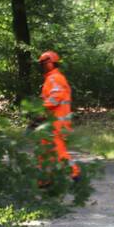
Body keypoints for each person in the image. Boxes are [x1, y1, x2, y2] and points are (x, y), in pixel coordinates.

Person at [38, 50, 80, 181]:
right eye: (42, 64)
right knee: (45, 150)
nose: (42, 66)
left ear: (51, 63)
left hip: (58, 123)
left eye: (44, 63)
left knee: (57, 151)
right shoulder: (50, 78)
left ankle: (75, 174)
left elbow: (56, 97)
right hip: (52, 122)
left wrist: (41, 108)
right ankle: (44, 179)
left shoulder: (55, 78)